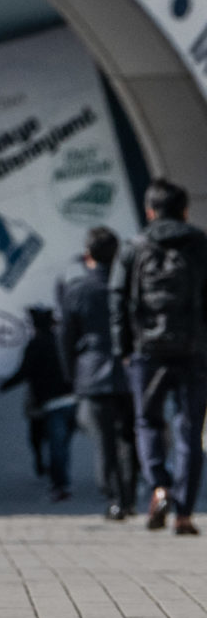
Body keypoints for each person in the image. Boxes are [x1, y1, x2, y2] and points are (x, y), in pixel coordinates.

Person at [115, 178, 207, 533]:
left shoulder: (133, 247)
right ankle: (184, 513)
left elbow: (117, 302)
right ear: (184, 211)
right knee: (189, 430)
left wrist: (124, 349)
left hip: (146, 352)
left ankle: (159, 486)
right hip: (194, 351)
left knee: (148, 422)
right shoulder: (200, 244)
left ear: (150, 211)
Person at [59, 226, 138, 519]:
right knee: (129, 436)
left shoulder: (78, 289)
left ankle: (114, 498)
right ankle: (129, 497)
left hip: (92, 371)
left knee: (104, 440)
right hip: (130, 370)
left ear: (88, 255)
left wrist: (71, 374)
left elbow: (66, 336)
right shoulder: (129, 286)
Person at [0, 306, 76, 502]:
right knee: (62, 442)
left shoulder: (37, 344)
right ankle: (59, 478)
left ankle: (59, 482)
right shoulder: (62, 341)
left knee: (52, 442)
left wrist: (5, 385)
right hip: (71, 398)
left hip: (50, 401)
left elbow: (24, 371)